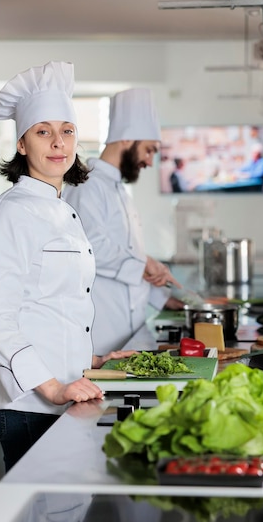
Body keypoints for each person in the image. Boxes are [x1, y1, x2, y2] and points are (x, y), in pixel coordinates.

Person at [0, 61, 133, 472]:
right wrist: (53, 387)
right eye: (43, 131)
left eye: (67, 130)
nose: (58, 142)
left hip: (65, 392)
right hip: (30, 403)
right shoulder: (11, 213)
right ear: (22, 145)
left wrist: (93, 359)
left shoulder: (61, 209)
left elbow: (54, 306)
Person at [63, 87, 186, 354]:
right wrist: (146, 263)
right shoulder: (88, 185)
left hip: (127, 329)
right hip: (104, 331)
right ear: (127, 139)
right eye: (148, 150)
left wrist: (161, 298)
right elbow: (91, 246)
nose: (150, 161)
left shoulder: (117, 188)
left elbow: (126, 256)